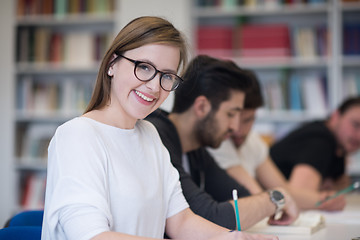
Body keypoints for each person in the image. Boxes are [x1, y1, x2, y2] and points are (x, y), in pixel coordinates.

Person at [41, 16, 277, 240]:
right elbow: (92, 236)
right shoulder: (78, 136)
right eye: (144, 67)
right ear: (112, 64)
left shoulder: (150, 135)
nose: (155, 86)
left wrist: (235, 237)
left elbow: (181, 222)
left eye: (167, 76)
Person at [146, 55, 299, 231]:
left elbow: (241, 197)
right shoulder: (157, 138)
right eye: (231, 114)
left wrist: (264, 202)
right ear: (202, 107)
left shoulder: (196, 149)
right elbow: (211, 218)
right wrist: (277, 198)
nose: (235, 128)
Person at [208, 70, 346, 211]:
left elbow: (283, 189)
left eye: (248, 120)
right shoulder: (218, 142)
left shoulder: (252, 140)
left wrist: (324, 199)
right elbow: (256, 195)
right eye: (231, 116)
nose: (238, 129)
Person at [270, 96, 360, 194]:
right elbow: (300, 197)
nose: (359, 136)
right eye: (355, 124)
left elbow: (341, 183)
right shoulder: (319, 142)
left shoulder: (337, 147)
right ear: (336, 116)